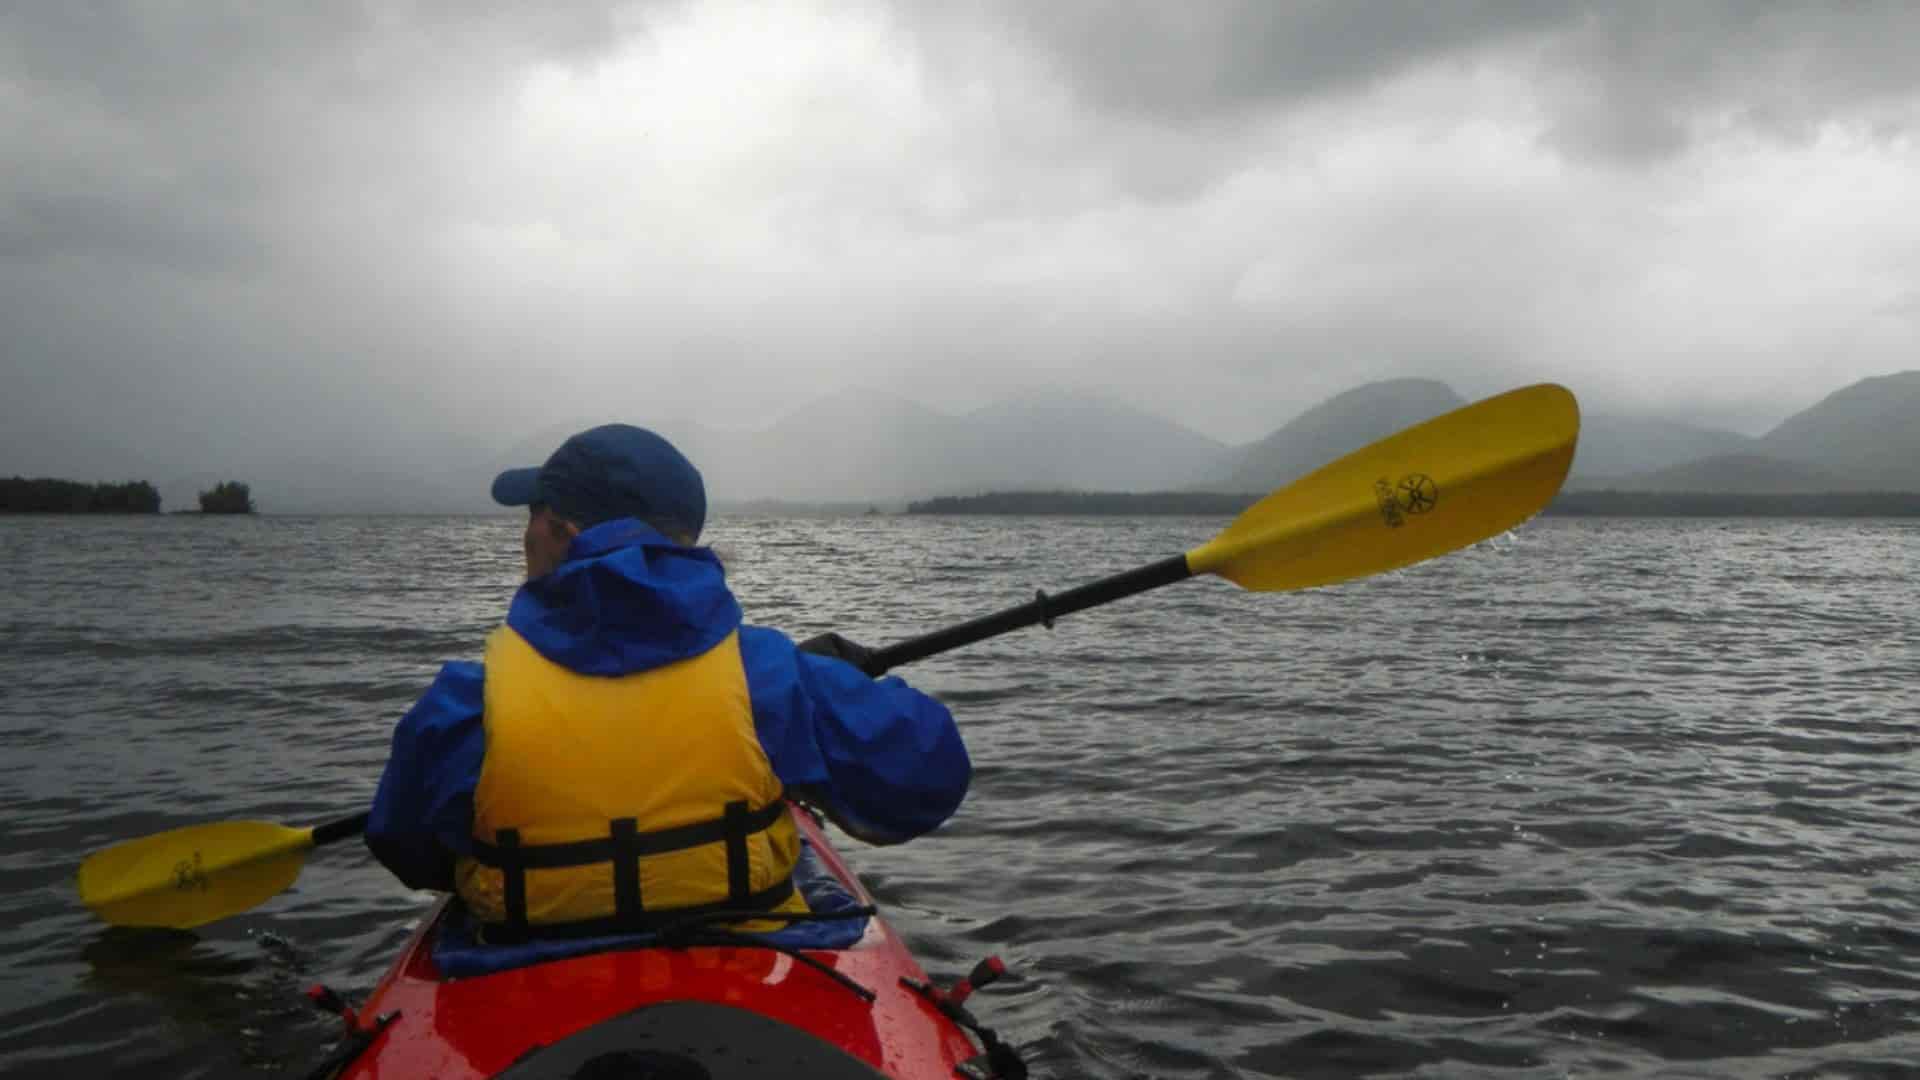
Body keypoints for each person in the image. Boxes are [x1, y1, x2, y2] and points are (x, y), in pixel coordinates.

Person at [366, 423, 969, 942]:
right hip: (746, 971)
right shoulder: (767, 673)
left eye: (533, 518)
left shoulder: (468, 699)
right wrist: (834, 684)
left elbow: (408, 847)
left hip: (524, 964)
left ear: (563, 533)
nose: (525, 538)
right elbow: (926, 780)